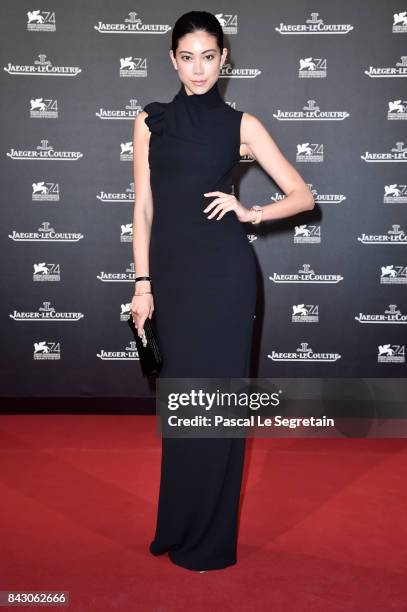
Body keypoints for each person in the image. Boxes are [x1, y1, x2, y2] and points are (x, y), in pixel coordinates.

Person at [130, 11, 314, 572]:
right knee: (182, 408)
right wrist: (142, 284)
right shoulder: (150, 120)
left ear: (224, 57)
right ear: (172, 60)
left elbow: (303, 196)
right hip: (173, 278)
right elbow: (142, 207)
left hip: (224, 278)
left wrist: (250, 211)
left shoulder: (242, 124)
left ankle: (210, 540)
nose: (199, 68)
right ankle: (178, 526)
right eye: (187, 56)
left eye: (209, 56)